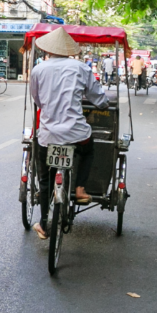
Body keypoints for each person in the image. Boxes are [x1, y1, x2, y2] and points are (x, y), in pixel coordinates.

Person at [29, 26, 110, 240]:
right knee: (88, 150)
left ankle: (44, 223)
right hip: (76, 133)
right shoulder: (81, 68)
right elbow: (98, 98)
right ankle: (81, 188)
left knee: (46, 181)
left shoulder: (38, 69)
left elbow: (36, 100)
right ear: (68, 50)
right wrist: (103, 103)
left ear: (48, 50)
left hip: (48, 135)